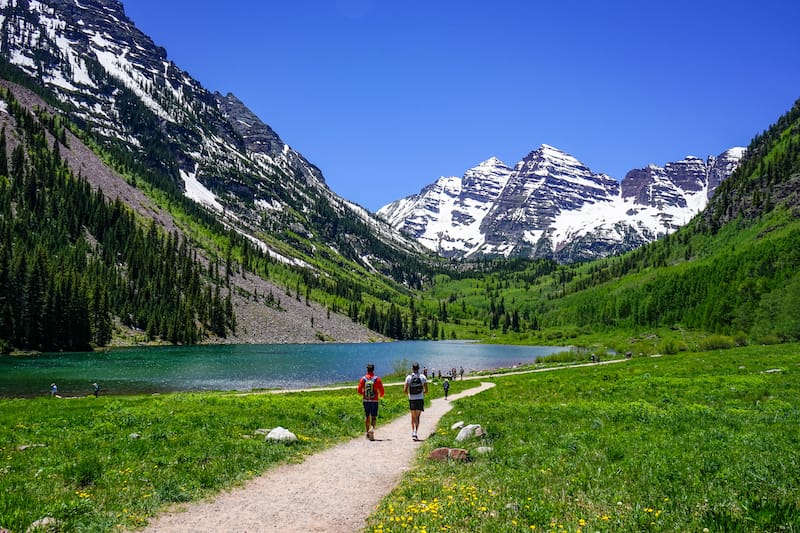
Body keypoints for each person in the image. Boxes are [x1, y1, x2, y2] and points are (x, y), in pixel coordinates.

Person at [357, 363, 384, 441]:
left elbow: (359, 390)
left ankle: (367, 432)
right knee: (374, 416)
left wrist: (364, 393)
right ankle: (371, 429)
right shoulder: (377, 379)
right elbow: (382, 391)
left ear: (367, 370)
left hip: (366, 400)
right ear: (373, 369)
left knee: (367, 416)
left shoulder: (363, 379)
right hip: (374, 400)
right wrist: (380, 395)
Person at [403, 362, 428, 440]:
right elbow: (426, 390)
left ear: (412, 368)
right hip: (420, 399)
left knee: (413, 416)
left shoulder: (409, 377)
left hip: (412, 399)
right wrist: (422, 393)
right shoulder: (423, 377)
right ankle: (415, 432)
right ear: (419, 368)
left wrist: (409, 395)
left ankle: (413, 431)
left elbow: (405, 390)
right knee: (417, 416)